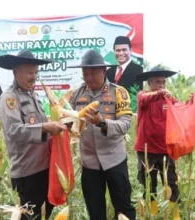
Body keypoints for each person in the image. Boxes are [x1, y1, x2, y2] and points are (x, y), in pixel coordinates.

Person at [0, 50, 66, 220]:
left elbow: (40, 124)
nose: (33, 77)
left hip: (45, 167)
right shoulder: (9, 99)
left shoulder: (33, 95)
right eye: (29, 73)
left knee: (44, 213)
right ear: (15, 72)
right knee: (30, 217)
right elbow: (14, 131)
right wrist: (46, 127)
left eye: (35, 73)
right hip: (28, 172)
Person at [68, 49, 136, 220]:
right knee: (95, 211)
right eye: (85, 73)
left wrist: (102, 122)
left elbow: (125, 124)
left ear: (104, 71)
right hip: (89, 163)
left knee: (123, 208)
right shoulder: (76, 95)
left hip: (114, 160)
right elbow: (69, 119)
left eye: (93, 73)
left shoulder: (118, 92)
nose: (89, 78)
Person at [133, 65, 192, 219]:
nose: (161, 85)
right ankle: (152, 215)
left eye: (163, 82)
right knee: (149, 184)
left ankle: (174, 215)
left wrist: (189, 104)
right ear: (150, 83)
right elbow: (146, 98)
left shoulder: (168, 98)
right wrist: (159, 93)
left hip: (166, 148)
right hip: (147, 150)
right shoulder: (143, 96)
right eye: (158, 82)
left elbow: (179, 108)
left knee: (171, 182)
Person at [106, 36, 143, 113]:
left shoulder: (139, 71)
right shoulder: (108, 72)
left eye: (124, 50)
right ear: (114, 52)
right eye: (118, 50)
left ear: (131, 51)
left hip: (130, 114)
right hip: (110, 114)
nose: (121, 53)